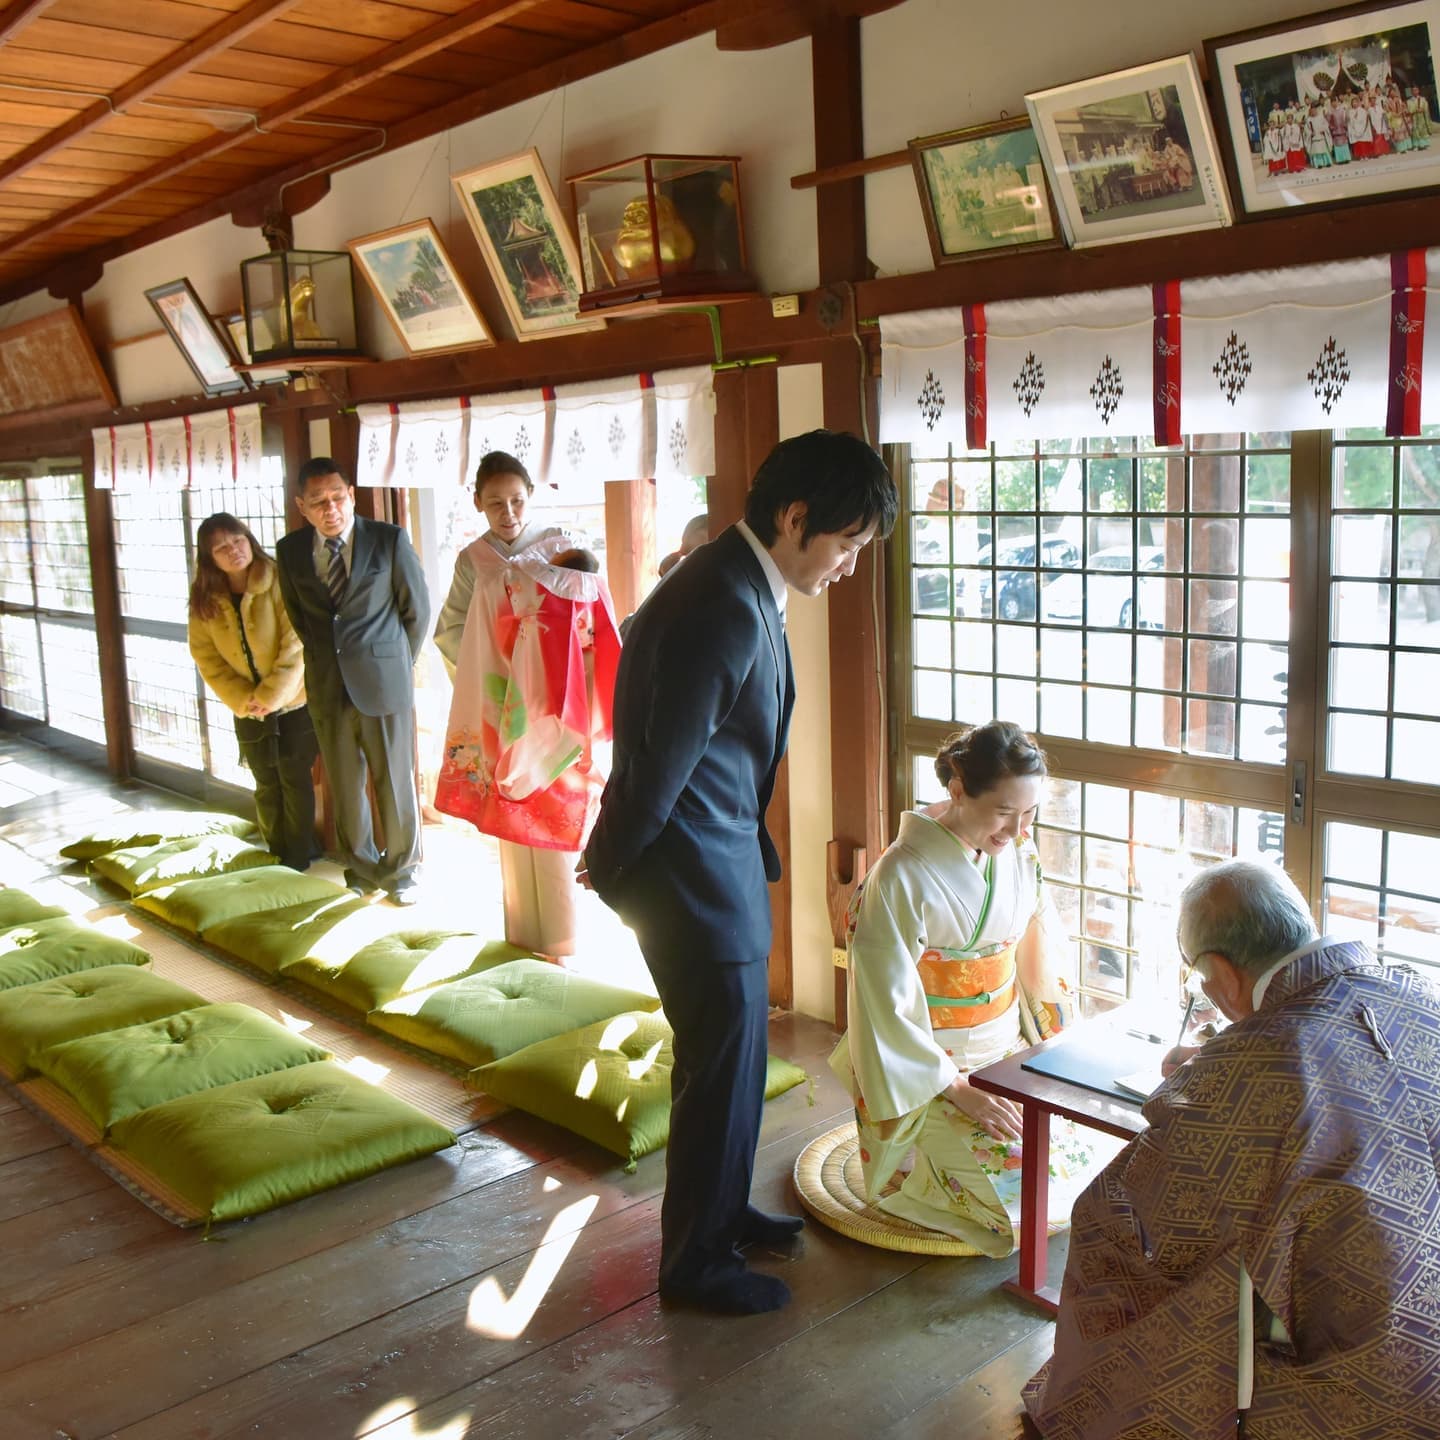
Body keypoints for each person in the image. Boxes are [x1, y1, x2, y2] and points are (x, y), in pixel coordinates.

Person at [582, 429, 898, 1315]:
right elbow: (658, 763)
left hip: (710, 861)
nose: (847, 565)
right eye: (846, 545)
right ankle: (695, 1263)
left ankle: (722, 1214)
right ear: (796, 517)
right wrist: (608, 867)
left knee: (735, 1056)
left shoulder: (734, 576)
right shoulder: (720, 599)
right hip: (687, 872)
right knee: (719, 1067)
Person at [1023, 859, 1440, 1440]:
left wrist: (1199, 1082)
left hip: (1359, 1367)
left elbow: (1144, 1223)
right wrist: (1223, 1064)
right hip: (1420, 1297)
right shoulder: (1418, 991)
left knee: (1109, 1229)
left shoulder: (1244, 1071)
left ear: (1219, 973)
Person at [830, 722, 1114, 1254]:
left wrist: (1049, 1043)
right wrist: (958, 1089)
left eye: (1029, 813)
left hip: (1007, 1049)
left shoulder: (1018, 854)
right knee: (1012, 1195)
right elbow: (882, 1005)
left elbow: (1038, 951)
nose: (1018, 830)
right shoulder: (899, 876)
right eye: (1005, 812)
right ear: (957, 789)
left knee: (1081, 1164)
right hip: (931, 1068)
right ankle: (919, 1150)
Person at [433, 451, 620, 956]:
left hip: (556, 706)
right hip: (499, 705)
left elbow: (590, 621)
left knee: (555, 813)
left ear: (531, 496)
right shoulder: (475, 560)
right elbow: (449, 629)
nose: (508, 512)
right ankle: (521, 937)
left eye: (516, 500)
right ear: (477, 503)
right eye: (495, 502)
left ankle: (561, 942)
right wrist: (495, 664)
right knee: (510, 820)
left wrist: (551, 661)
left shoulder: (563, 548)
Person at [275, 457, 430, 904]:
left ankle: (402, 872)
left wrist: (394, 662)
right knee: (344, 784)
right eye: (319, 502)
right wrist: (331, 662)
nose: (331, 509)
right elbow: (301, 618)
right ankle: (360, 869)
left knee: (394, 780)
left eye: (338, 497)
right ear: (302, 506)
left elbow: (415, 612)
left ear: (352, 495)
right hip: (327, 684)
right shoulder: (289, 552)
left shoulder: (389, 540)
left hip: (385, 681)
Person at [187, 513, 317, 872]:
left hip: (294, 701)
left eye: (238, 540)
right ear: (209, 557)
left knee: (294, 776)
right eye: (221, 547)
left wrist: (272, 694)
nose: (233, 550)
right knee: (264, 779)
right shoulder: (205, 598)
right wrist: (246, 700)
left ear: (250, 539)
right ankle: (276, 849)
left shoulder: (276, 578)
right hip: (248, 707)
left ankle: (300, 853)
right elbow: (205, 655)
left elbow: (296, 642)